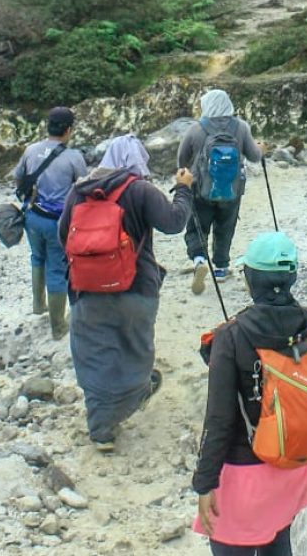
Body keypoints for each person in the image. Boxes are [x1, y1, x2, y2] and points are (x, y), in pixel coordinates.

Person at [193, 232, 307, 555]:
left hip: (243, 472)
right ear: (292, 278)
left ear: (250, 279)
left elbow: (219, 420)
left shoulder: (230, 336)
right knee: (278, 538)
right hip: (295, 463)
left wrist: (204, 483)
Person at [58, 134, 193, 451]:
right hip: (136, 288)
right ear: (137, 160)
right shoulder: (140, 189)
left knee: (93, 353)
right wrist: (184, 189)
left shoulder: (78, 192)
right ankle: (134, 396)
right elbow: (174, 223)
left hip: (86, 290)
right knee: (135, 349)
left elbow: (63, 234)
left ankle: (101, 427)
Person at [178, 89, 265, 293]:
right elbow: (254, 156)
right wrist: (261, 149)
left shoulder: (196, 128)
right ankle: (221, 268)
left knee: (197, 226)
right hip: (232, 190)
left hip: (201, 189)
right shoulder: (241, 127)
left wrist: (186, 176)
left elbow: (182, 159)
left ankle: (199, 260)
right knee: (225, 227)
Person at [12, 106, 88, 340]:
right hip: (58, 222)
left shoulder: (31, 150)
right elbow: (83, 186)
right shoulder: (73, 157)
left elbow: (18, 176)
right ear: (68, 130)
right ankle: (58, 327)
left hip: (32, 217)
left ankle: (38, 305)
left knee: (37, 258)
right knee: (57, 268)